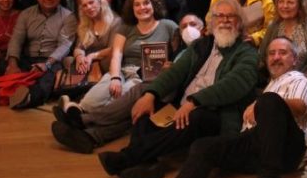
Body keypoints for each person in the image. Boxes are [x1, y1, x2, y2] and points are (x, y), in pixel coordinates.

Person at [96, 0, 258, 178]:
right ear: (211, 22)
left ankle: (127, 158)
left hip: (215, 113)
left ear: (239, 22)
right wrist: (151, 94)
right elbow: (175, 71)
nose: (224, 20)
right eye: (219, 16)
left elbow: (234, 84)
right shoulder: (200, 46)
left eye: (230, 16)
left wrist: (194, 101)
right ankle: (148, 166)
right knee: (145, 108)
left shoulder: (247, 52)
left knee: (195, 118)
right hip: (184, 105)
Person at [169, 36, 307, 178]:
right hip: (256, 146)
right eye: (271, 53)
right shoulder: (270, 85)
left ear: (294, 59)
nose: (276, 57)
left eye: (282, 53)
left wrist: (261, 102)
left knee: (269, 100)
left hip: (287, 149)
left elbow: (300, 106)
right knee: (203, 146)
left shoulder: (299, 79)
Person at [49, 12, 203, 153]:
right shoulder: (180, 49)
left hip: (182, 95)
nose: (189, 29)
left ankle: (83, 120)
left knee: (141, 91)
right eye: (184, 26)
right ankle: (91, 137)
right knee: (138, 113)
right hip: (167, 90)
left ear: (203, 27)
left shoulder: (206, 46)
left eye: (193, 24)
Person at [54, 0, 177, 119]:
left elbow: (179, 53)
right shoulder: (126, 27)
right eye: (137, 4)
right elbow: (117, 54)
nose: (142, 7)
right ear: (132, 8)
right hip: (121, 70)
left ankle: (80, 117)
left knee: (118, 101)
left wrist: (171, 65)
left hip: (142, 77)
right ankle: (76, 109)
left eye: (146, 3)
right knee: (91, 101)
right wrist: (115, 78)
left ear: (154, 4)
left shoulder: (168, 26)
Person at [1, 0, 77, 108]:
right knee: (4, 64)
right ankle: (22, 90)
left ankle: (29, 97)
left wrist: (46, 64)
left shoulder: (68, 17)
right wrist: (13, 64)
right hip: (28, 59)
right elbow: (16, 39)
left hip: (51, 60)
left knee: (49, 77)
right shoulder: (26, 14)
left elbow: (64, 45)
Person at [66, 0, 121, 77]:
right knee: (68, 60)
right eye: (84, 5)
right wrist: (79, 56)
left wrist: (92, 56)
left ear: (100, 2)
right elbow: (79, 47)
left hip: (105, 60)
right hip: (87, 62)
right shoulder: (84, 24)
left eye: (91, 2)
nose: (89, 7)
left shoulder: (115, 21)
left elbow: (113, 48)